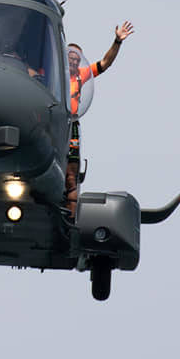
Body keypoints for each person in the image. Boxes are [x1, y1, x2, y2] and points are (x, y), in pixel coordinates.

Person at [65, 21, 134, 215]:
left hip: (72, 125)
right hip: (52, 119)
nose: (73, 62)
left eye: (76, 60)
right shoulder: (52, 71)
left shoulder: (81, 75)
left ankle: (70, 218)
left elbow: (105, 63)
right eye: (69, 58)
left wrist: (117, 41)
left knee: (71, 174)